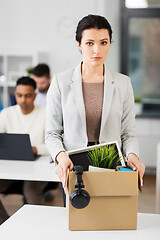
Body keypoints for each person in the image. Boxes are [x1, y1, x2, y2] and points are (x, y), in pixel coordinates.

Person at [45, 14, 145, 190]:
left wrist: (132, 155)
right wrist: (61, 156)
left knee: (109, 217)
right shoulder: (61, 82)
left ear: (109, 44)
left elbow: (128, 133)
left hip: (111, 167)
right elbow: (52, 133)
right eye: (90, 43)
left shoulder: (123, 83)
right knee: (77, 217)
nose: (97, 50)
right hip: (73, 167)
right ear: (79, 45)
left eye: (103, 43)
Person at [0, 76, 49, 223]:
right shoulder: (7, 114)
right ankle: (6, 224)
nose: (23, 100)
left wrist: (34, 149)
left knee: (31, 189)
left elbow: (54, 144)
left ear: (35, 95)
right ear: (15, 95)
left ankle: (36, 229)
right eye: (19, 95)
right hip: (11, 168)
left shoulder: (46, 114)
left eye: (27, 96)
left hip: (38, 167)